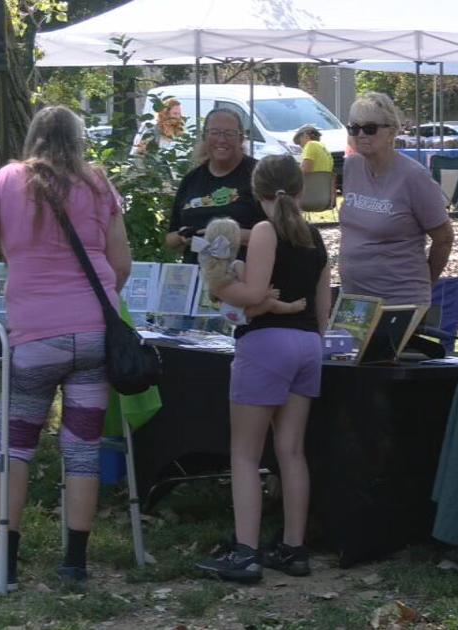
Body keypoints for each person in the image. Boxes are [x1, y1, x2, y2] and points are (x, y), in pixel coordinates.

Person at [0, 105, 133, 592]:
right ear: (79, 139)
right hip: (94, 333)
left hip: (34, 336)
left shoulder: (8, 181)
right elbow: (120, 262)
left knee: (14, 446)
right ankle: (74, 562)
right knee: (82, 449)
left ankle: (3, 563)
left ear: (33, 137)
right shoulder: (98, 184)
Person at [196, 155, 331, 582]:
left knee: (245, 454)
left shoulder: (266, 232)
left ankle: (246, 551)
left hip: (266, 344)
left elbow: (251, 293)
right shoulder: (317, 237)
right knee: (291, 450)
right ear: (299, 190)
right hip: (309, 345)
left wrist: (219, 285)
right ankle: (294, 547)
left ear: (257, 194)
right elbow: (323, 311)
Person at [339, 92, 454, 305]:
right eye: (354, 128)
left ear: (391, 131)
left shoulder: (414, 176)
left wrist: (425, 286)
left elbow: (444, 238)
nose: (361, 134)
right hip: (354, 299)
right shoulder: (351, 166)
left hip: (399, 300)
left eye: (370, 128)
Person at [164, 109, 263, 263]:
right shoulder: (191, 179)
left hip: (243, 275)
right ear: (204, 137)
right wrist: (184, 236)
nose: (221, 140)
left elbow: (277, 234)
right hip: (196, 275)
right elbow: (170, 238)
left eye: (229, 133)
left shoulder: (259, 175)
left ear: (240, 138)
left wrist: (225, 234)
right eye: (215, 132)